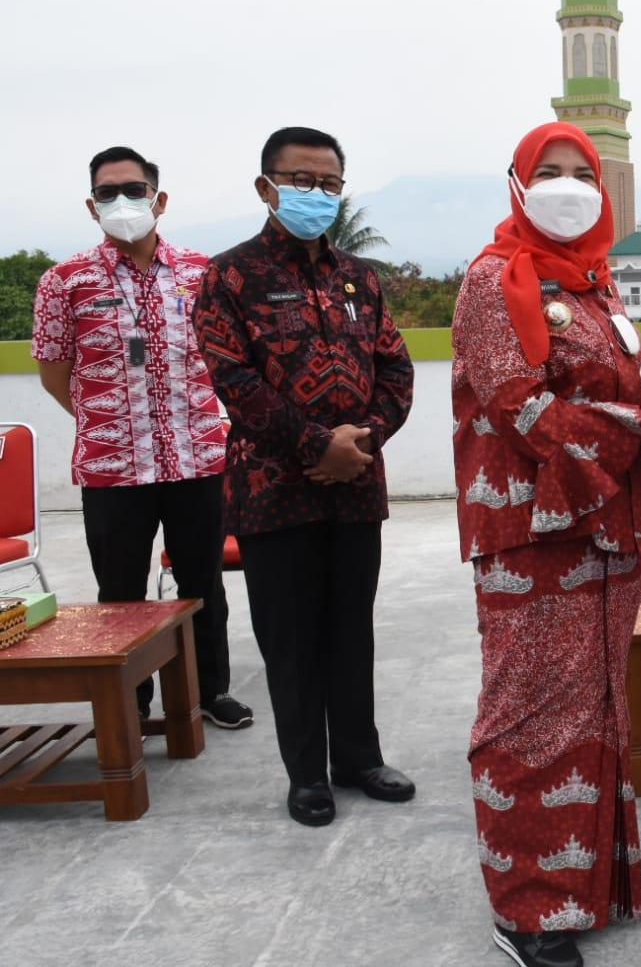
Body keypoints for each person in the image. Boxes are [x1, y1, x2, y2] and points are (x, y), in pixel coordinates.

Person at [452, 122, 641, 967]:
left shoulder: (597, 285)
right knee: (529, 714)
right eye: (549, 172)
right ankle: (527, 906)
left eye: (582, 173)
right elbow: (517, 404)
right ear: (518, 184)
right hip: (532, 532)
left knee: (598, 701)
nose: (568, 186)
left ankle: (597, 866)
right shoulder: (494, 282)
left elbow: (613, 389)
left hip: (605, 524)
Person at [191, 126, 415, 827]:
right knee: (289, 640)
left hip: (357, 488)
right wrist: (318, 444)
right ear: (266, 187)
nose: (316, 194)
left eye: (328, 183)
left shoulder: (362, 277)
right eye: (301, 181)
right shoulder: (228, 277)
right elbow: (234, 382)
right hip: (271, 493)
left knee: (352, 630)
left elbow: (397, 371)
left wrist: (363, 441)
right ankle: (306, 775)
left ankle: (357, 757)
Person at [31, 146, 252, 730]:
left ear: (160, 199)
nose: (122, 202)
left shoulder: (202, 273)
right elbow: (55, 372)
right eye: (108, 193)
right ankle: (131, 699)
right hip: (112, 468)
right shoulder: (64, 282)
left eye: (134, 189)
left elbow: (230, 358)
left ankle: (211, 690)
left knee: (201, 581)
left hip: (197, 458)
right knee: (121, 590)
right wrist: (111, 425)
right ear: (91, 205)